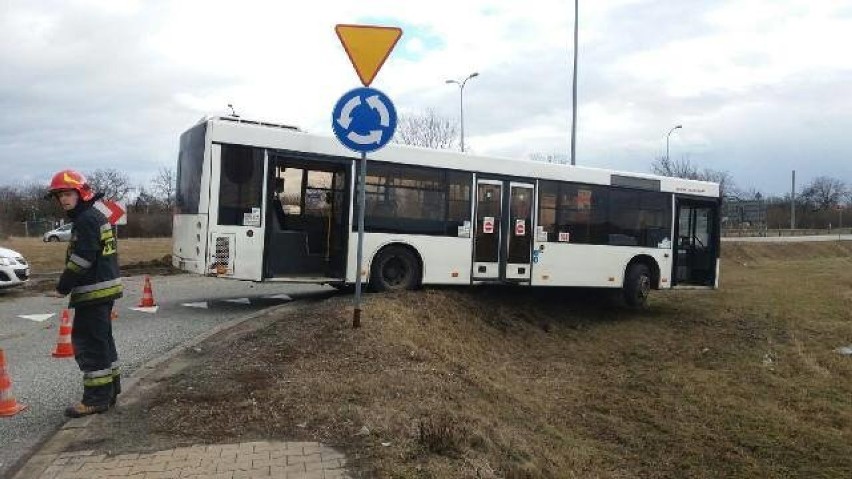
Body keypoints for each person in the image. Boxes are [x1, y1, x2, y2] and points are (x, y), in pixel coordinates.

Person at [47, 170, 123, 418]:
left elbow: (82, 258)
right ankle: (109, 393)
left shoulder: (86, 220)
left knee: (90, 345)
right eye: (60, 196)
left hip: (93, 292)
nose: (63, 200)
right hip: (103, 290)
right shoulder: (96, 215)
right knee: (102, 342)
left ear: (81, 193)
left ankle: (95, 399)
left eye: (68, 194)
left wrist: (62, 287)